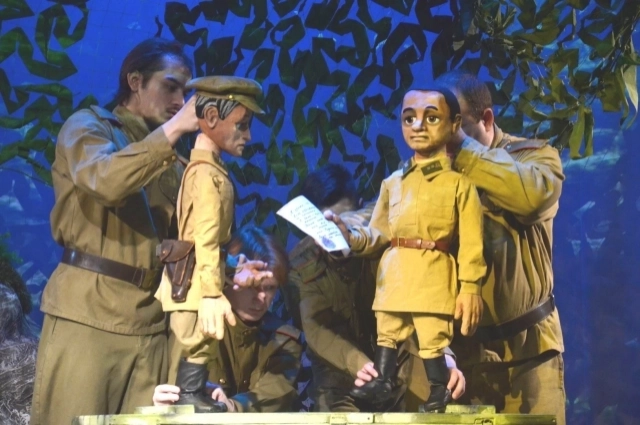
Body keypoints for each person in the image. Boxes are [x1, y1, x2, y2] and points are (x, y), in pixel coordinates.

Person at [29, 37, 200, 425]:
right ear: (135, 81)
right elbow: (105, 180)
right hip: (89, 316)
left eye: (186, 92)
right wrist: (175, 130)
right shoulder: (88, 128)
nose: (180, 101)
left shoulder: (174, 162)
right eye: (170, 87)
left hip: (151, 325)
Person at [436, 70, 566, 423]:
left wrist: (464, 150)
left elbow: (532, 197)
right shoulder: (434, 172)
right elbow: (386, 213)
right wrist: (347, 227)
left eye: (455, 124)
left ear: (487, 119)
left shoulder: (534, 157)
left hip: (529, 355)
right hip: (464, 361)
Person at [288, 164, 466, 412]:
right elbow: (317, 329)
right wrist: (359, 364)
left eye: (343, 222)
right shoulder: (301, 264)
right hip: (339, 368)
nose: (337, 233)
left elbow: (416, 302)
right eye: (325, 226)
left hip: (400, 355)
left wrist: (443, 358)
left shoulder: (389, 240)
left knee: (437, 400)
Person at [154, 75, 268, 412]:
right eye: (241, 125)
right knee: (195, 338)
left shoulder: (210, 169)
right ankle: (188, 394)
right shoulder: (205, 174)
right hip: (194, 280)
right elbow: (203, 236)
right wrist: (211, 294)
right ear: (213, 118)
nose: (247, 136)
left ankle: (193, 393)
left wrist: (232, 266)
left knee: (202, 341)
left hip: (201, 273)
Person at [153, 226, 302, 413]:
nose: (262, 297)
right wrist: (161, 402)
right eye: (252, 286)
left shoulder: (284, 341)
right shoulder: (193, 327)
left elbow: (276, 393)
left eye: (270, 288)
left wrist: (231, 406)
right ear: (229, 280)